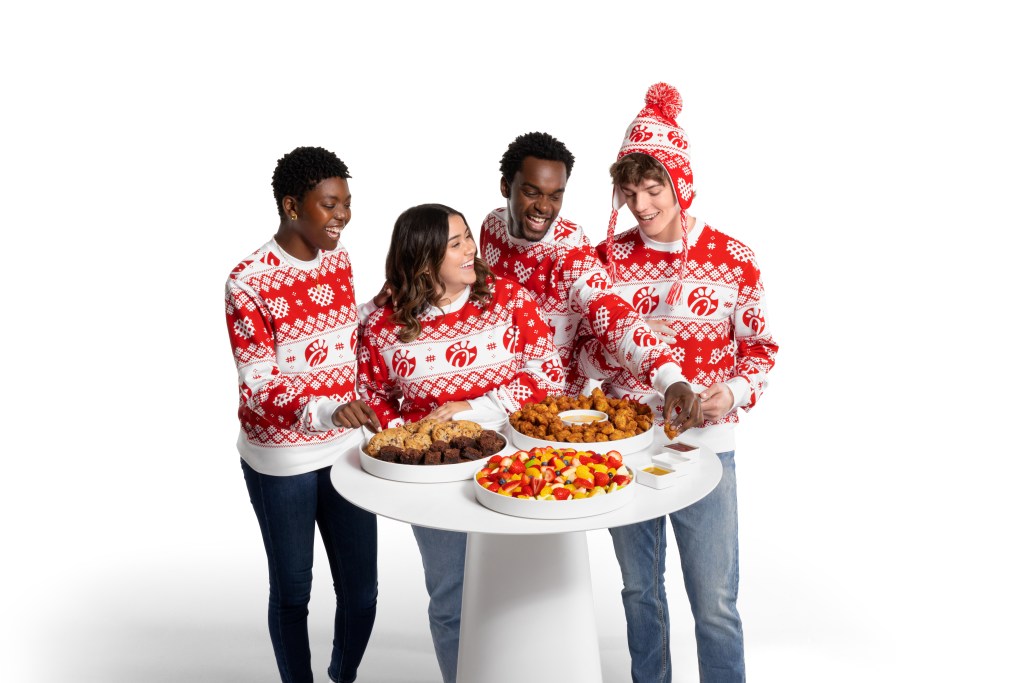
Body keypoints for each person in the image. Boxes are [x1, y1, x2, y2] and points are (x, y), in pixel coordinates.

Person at [580, 83, 779, 683]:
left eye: (653, 188)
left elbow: (761, 352)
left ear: (680, 181)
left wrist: (731, 393)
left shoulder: (733, 257)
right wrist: (625, 359)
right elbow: (584, 352)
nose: (640, 205)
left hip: (707, 448)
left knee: (714, 600)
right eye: (629, 191)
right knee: (640, 592)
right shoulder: (604, 260)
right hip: (626, 447)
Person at [358, 203, 564, 683]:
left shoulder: (508, 300)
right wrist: (416, 440)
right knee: (451, 596)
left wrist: (471, 409)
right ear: (424, 260)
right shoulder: (384, 325)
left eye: (468, 236)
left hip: (513, 469)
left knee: (520, 593)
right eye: (456, 244)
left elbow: (547, 377)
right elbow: (371, 398)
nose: (471, 248)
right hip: (433, 481)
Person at [224, 146, 381, 683]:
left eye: (346, 203)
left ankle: (342, 675)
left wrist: (379, 307)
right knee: (293, 592)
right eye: (329, 205)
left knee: (362, 593)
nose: (342, 216)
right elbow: (259, 385)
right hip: (281, 461)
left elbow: (338, 332)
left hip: (344, 451)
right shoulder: (248, 280)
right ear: (292, 205)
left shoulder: (338, 258)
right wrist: (329, 409)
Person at [478, 131, 703, 432]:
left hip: (552, 416)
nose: (544, 207)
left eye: (555, 196)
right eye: (532, 192)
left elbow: (610, 310)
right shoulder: (492, 226)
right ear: (506, 187)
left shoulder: (571, 254)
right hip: (492, 404)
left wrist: (671, 379)